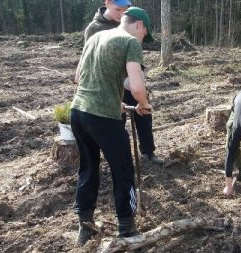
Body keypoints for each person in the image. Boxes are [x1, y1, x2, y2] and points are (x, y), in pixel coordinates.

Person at [71, 7, 154, 245]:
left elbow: (79, 77)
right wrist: (144, 104)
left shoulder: (96, 35)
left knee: (88, 168)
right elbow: (137, 88)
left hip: (79, 111)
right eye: (144, 35)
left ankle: (85, 226)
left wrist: (116, 102)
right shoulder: (130, 42)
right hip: (102, 117)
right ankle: (127, 228)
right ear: (139, 25)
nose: (143, 41)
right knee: (123, 170)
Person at [84, 0, 164, 165]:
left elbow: (134, 60)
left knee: (144, 114)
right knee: (117, 122)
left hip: (131, 80)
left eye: (125, 10)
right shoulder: (95, 29)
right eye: (118, 9)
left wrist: (140, 86)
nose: (122, 14)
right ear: (107, 4)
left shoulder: (129, 25)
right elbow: (90, 62)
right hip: (111, 84)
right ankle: (119, 157)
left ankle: (148, 152)